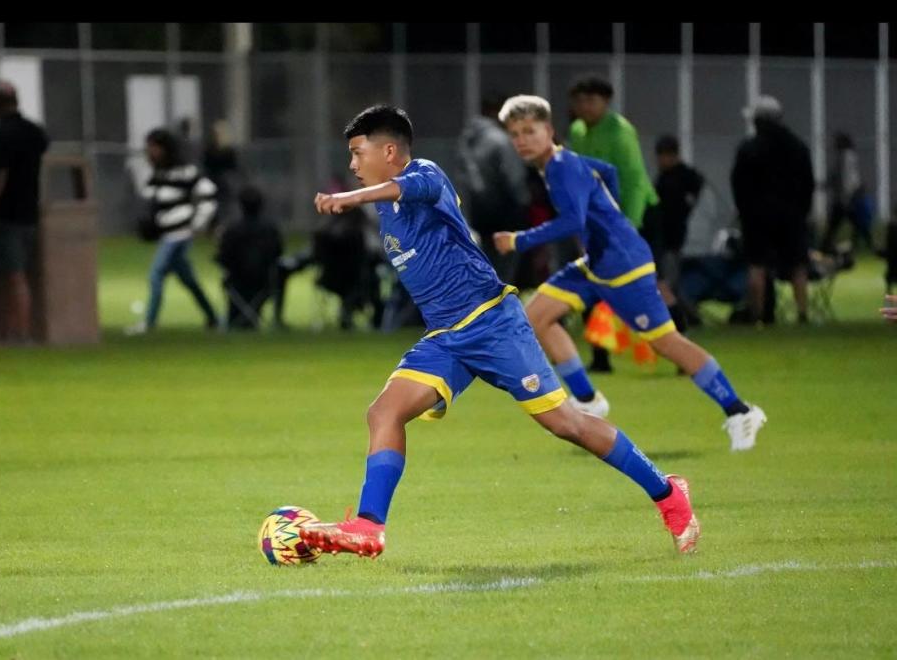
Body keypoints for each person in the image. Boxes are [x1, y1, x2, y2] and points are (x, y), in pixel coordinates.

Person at [298, 104, 700, 560]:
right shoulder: (385, 206)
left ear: (389, 151)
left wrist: (348, 200)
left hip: (493, 324)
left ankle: (668, 493)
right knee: (383, 413)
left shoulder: (425, 175)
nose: (351, 165)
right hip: (447, 336)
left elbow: (411, 187)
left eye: (357, 153)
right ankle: (369, 527)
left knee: (565, 424)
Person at [492, 95, 766, 452]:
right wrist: (609, 219)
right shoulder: (562, 162)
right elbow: (609, 173)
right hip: (598, 261)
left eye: (529, 131)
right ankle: (588, 400)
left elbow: (572, 220)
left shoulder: (561, 167)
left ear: (550, 131)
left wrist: (519, 240)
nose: (522, 140)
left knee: (666, 343)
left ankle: (740, 410)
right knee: (536, 317)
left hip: (625, 267)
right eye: (515, 134)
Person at [568, 76, 659, 373]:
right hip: (597, 222)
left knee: (647, 288)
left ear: (606, 102)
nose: (584, 107)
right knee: (594, 283)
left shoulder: (621, 132)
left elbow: (633, 181)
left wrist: (629, 226)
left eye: (591, 100)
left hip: (634, 217)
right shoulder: (578, 131)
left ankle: (678, 332)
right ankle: (600, 357)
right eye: (580, 101)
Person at [731, 95, 815, 324]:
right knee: (798, 265)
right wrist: (801, 211)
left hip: (757, 218)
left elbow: (738, 185)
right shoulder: (798, 147)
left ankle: (757, 316)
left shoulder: (749, 148)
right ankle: (802, 313)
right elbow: (808, 183)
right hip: (792, 216)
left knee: (756, 265)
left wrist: (745, 212)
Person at [127, 128, 219, 334]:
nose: (150, 152)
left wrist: (198, 224)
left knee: (156, 274)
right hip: (167, 234)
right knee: (189, 280)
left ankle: (149, 322)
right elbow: (150, 198)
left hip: (179, 234)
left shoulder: (186, 172)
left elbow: (208, 194)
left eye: (154, 147)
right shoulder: (158, 174)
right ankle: (213, 317)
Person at [0, 81, 49, 344]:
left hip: (6, 214)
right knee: (15, 275)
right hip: (30, 211)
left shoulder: (0, 137)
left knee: (10, 276)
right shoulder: (35, 133)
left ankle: (17, 333)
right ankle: (9, 332)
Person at [457, 94, 530, 281]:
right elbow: (514, 178)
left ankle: (486, 306)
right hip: (506, 215)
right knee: (506, 271)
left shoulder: (466, 141)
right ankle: (501, 307)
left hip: (479, 216)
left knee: (487, 266)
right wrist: (525, 204)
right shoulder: (500, 140)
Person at [650, 134, 706, 332]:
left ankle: (686, 316)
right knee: (669, 281)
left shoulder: (678, 177)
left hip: (672, 236)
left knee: (669, 282)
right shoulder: (667, 177)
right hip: (665, 235)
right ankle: (687, 314)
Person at [214, 185, 283, 330]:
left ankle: (238, 317)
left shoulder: (232, 230)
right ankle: (251, 316)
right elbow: (277, 253)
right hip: (263, 281)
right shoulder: (270, 229)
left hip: (237, 281)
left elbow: (223, 257)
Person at [821, 132, 872, 254]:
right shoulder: (847, 156)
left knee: (837, 224)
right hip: (846, 198)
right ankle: (867, 245)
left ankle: (826, 247)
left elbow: (846, 179)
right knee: (857, 223)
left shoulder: (846, 157)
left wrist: (846, 198)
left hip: (845, 199)